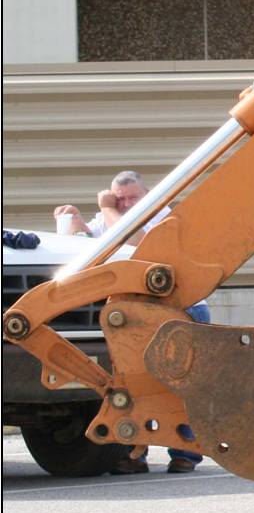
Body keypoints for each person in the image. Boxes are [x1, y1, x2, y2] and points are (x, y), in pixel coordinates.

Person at [54, 171, 207, 475]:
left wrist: (110, 208)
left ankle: (185, 453)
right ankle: (135, 452)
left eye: (131, 198)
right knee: (135, 384)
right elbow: (84, 248)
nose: (124, 204)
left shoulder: (162, 215)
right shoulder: (108, 219)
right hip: (134, 315)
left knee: (181, 384)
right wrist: (73, 222)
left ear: (147, 194)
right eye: (119, 199)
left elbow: (137, 245)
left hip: (182, 310)